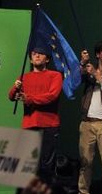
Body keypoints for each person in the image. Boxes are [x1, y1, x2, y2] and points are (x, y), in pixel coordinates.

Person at [8, 47, 63, 184]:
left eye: (41, 53)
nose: (37, 55)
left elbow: (52, 96)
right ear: (31, 60)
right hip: (29, 124)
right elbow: (11, 97)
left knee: (47, 164)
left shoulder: (55, 75)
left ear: (47, 59)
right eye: (34, 54)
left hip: (49, 125)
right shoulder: (23, 77)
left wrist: (30, 99)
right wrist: (15, 87)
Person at [77, 41, 102, 194]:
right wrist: (83, 63)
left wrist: (96, 75)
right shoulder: (89, 69)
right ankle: (83, 191)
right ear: (98, 54)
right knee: (85, 162)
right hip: (87, 122)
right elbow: (78, 77)